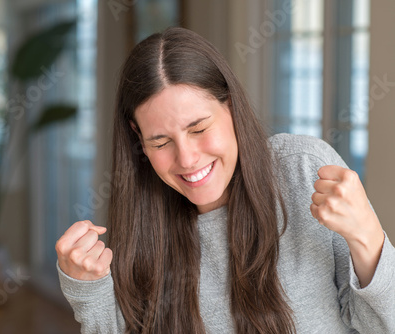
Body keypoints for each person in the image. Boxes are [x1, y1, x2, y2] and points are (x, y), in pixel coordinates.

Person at [55, 27, 395, 333]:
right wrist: (88, 289)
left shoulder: (303, 170)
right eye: (160, 142)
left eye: (199, 128)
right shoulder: (140, 223)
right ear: (137, 138)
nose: (187, 160)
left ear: (230, 105)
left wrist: (367, 236)